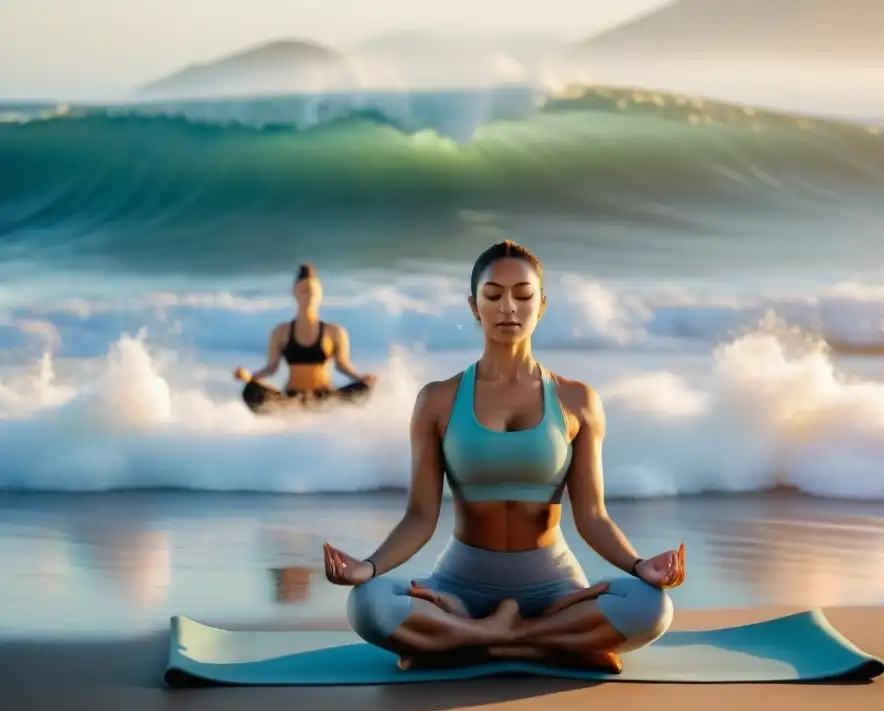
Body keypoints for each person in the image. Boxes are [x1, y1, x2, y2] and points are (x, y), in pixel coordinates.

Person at [322, 241, 684, 674]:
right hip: (460, 588)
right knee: (367, 604)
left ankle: (474, 640)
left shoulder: (577, 400)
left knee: (650, 608)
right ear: (474, 306)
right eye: (493, 295)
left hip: (555, 590)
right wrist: (369, 566)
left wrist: (641, 566)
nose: (508, 307)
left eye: (523, 295)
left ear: (542, 306)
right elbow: (420, 515)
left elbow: (592, 516)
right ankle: (528, 641)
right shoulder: (438, 400)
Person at [234, 263, 377, 413]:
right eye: (303, 291)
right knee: (250, 391)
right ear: (295, 293)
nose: (308, 296)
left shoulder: (334, 332)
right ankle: (285, 414)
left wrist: (361, 378)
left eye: (312, 291)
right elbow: (271, 367)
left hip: (325, 397)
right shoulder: (281, 331)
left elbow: (342, 364)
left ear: (320, 295)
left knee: (364, 389)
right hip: (291, 398)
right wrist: (250, 377)